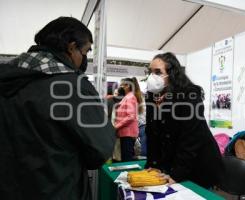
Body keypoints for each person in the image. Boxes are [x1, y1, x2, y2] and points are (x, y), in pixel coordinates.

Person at [0, 17, 115, 200]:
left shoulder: (7, 78)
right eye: (85, 52)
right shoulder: (73, 87)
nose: (84, 59)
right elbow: (101, 149)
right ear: (71, 47)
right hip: (59, 189)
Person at [145, 52, 223, 189]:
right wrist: (153, 165)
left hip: (198, 164)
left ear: (172, 73)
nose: (152, 76)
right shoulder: (152, 97)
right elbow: (152, 133)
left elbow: (191, 139)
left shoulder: (189, 95)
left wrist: (176, 174)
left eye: (158, 72)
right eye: (151, 72)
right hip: (173, 163)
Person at [114, 77, 143, 161]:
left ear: (127, 86)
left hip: (128, 133)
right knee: (126, 157)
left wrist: (116, 126)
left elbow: (130, 116)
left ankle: (129, 174)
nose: (120, 87)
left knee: (127, 159)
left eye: (122, 85)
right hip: (125, 132)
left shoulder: (130, 98)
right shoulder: (127, 97)